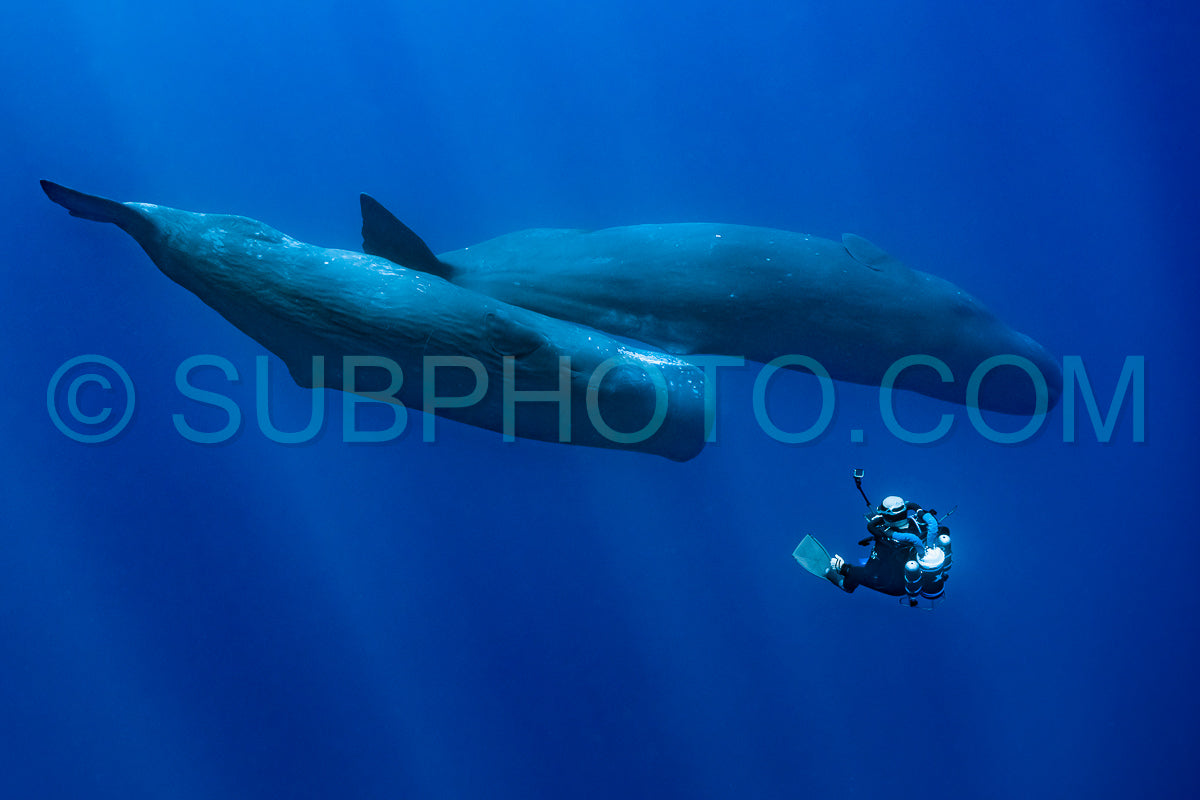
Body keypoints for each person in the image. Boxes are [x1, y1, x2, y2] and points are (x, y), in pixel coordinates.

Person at [826, 495, 942, 596]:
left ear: (888, 517)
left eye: (882, 515)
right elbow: (942, 530)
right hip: (914, 572)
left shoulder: (886, 544)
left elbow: (869, 573)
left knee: (855, 572)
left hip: (896, 586)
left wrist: (844, 569)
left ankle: (846, 586)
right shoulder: (920, 525)